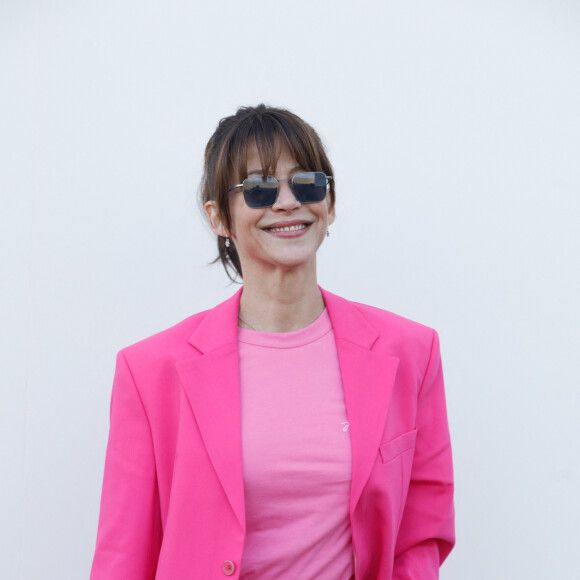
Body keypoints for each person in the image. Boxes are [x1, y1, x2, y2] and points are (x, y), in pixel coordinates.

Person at [90, 104, 455, 579]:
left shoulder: (410, 352)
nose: (287, 202)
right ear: (219, 217)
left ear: (331, 202)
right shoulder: (150, 372)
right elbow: (124, 556)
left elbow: (422, 533)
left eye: (307, 183)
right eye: (259, 188)